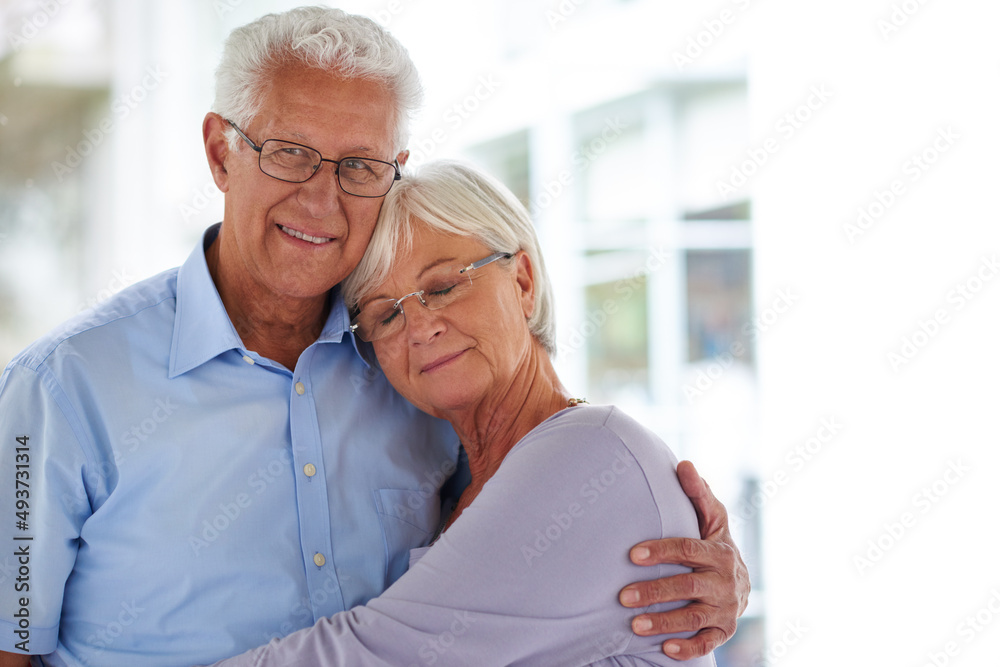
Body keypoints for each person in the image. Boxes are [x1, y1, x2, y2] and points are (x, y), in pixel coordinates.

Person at [0, 7, 747, 667]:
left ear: (393, 174)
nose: (321, 198)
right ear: (221, 151)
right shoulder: (60, 391)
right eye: (289, 151)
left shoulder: (415, 375)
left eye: (358, 165)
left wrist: (707, 563)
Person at [206, 159, 722, 666]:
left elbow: (377, 655)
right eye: (385, 314)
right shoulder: (457, 477)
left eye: (444, 287)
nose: (419, 327)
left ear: (522, 281)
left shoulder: (590, 451)